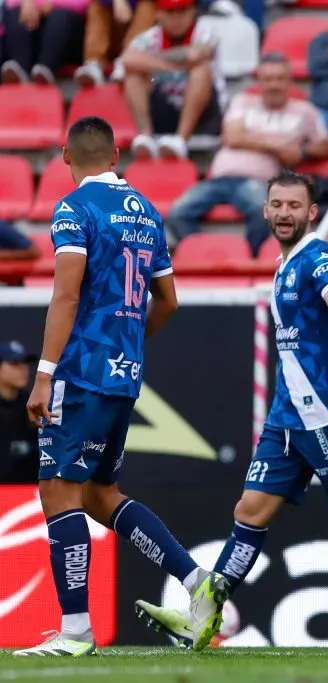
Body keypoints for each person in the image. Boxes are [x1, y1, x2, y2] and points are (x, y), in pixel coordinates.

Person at [133, 170, 328, 646]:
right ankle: (205, 618)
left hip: (321, 415)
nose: (285, 213)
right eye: (277, 205)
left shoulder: (318, 256)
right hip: (286, 419)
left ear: (312, 213)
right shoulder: (284, 264)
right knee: (251, 509)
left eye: (294, 206)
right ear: (264, 210)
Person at [14, 116, 228, 657]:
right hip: (123, 374)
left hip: (80, 372)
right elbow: (169, 301)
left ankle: (76, 629)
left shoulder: (74, 209)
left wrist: (43, 374)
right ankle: (195, 578)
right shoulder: (149, 214)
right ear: (115, 157)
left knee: (58, 493)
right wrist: (127, 347)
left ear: (65, 155)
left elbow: (65, 297)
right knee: (99, 495)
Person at [165, 53, 328, 256]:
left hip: (259, 181)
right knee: (177, 214)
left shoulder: (305, 111)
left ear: (290, 81)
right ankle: (207, 253)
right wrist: (278, 146)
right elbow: (233, 137)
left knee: (264, 213)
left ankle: (249, 260)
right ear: (259, 81)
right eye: (268, 79)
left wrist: (301, 151)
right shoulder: (243, 101)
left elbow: (324, 146)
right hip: (218, 179)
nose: (274, 85)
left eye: (280, 79)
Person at [121, 0, 226, 160]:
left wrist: (149, 60)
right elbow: (128, 59)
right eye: (170, 12)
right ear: (158, 14)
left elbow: (195, 55)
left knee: (200, 70)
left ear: (192, 11)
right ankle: (146, 137)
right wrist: (176, 66)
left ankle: (180, 140)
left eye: (182, 10)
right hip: (166, 107)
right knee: (133, 76)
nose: (177, 18)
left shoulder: (205, 31)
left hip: (204, 113)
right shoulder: (152, 36)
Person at [0, 0, 87, 84]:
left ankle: (45, 69)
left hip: (69, 32)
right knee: (17, 13)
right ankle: (20, 69)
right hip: (34, 28)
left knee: (59, 17)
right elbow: (9, 3)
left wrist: (50, 3)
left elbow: (84, 4)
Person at [73, 0, 156, 88]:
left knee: (148, 4)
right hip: (111, 37)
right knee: (97, 4)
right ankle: (94, 63)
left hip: (143, 40)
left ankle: (127, 62)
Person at [0, 340, 38, 484]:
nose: (23, 368)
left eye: (25, 363)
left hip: (29, 494)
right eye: (15, 363)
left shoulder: (34, 406)